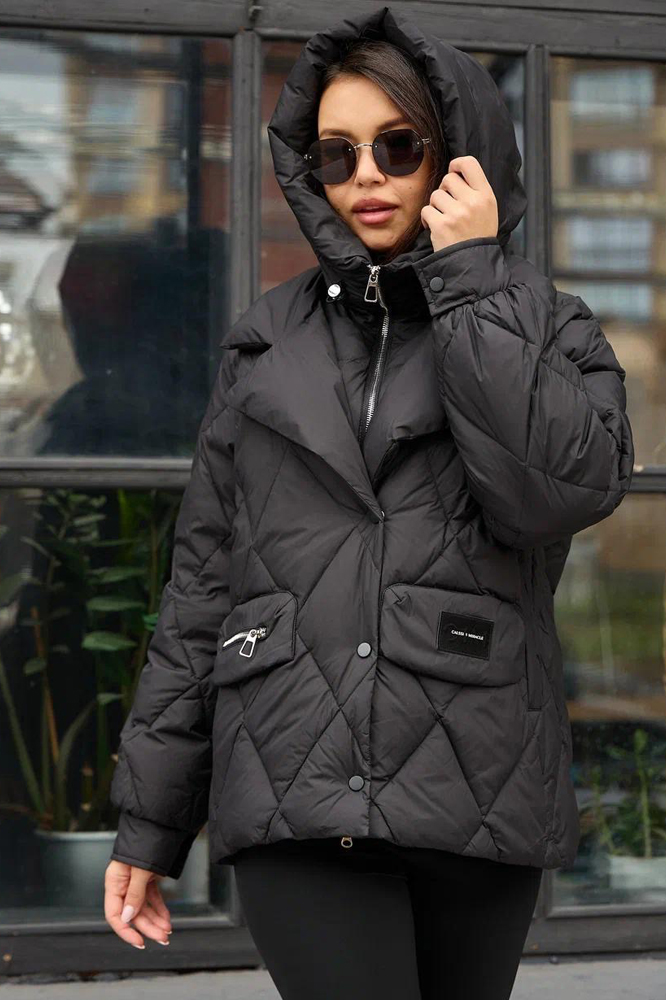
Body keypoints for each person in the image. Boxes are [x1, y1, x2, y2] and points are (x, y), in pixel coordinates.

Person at [103, 6, 634, 999]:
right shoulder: (266, 341)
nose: (366, 179)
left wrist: (470, 280)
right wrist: (151, 819)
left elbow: (551, 495)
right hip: (295, 778)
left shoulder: (545, 324)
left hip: (475, 782)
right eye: (336, 155)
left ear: (459, 156)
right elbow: (202, 590)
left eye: (398, 147)